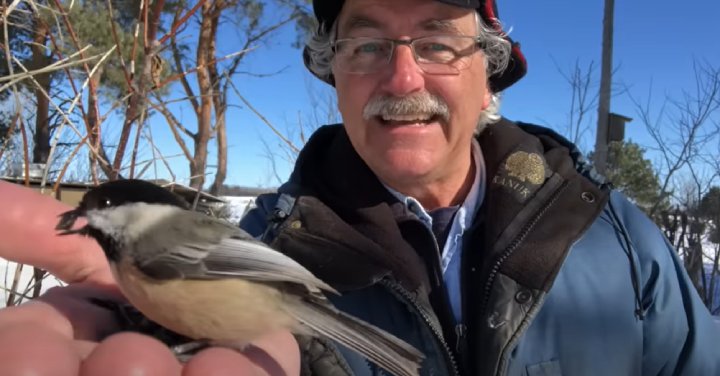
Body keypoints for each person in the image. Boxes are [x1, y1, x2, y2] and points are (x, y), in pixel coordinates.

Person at [0, 0, 718, 375]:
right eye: (368, 45)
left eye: (437, 42)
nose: (402, 80)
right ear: (333, 77)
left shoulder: (619, 243)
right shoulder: (270, 241)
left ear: (489, 77)